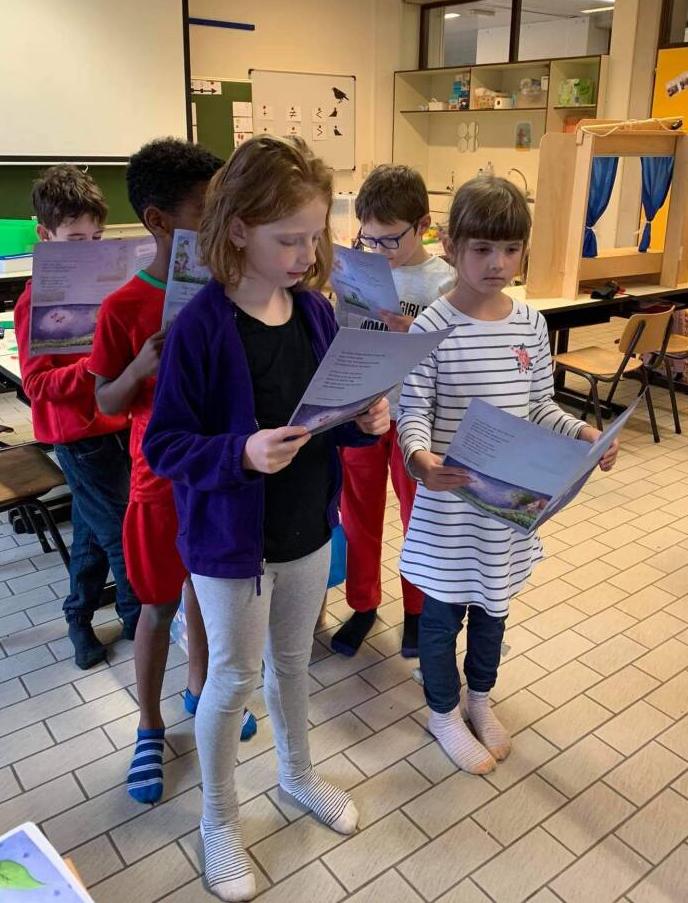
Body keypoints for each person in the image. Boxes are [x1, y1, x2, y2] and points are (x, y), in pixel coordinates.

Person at [143, 135, 390, 902]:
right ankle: (218, 818)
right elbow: (164, 445)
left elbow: (327, 421)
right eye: (289, 239)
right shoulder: (201, 326)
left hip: (306, 531)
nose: (305, 254)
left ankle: (297, 775)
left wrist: (366, 422)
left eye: (314, 237)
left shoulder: (313, 312)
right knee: (232, 680)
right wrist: (241, 453)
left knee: (291, 666)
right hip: (230, 548)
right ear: (238, 229)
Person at [397, 176, 620, 775]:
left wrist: (583, 432)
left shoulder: (529, 325)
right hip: (449, 508)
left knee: (493, 612)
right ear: (451, 247)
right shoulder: (431, 327)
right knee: (441, 618)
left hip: (505, 510)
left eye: (511, 249)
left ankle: (479, 699)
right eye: (482, 249)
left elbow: (540, 404)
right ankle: (442, 712)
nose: (497, 263)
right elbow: (412, 411)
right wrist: (420, 459)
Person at [89, 138, 255, 807]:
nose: (221, 221)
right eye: (206, 210)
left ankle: (200, 687)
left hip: (214, 474)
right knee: (157, 604)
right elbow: (105, 402)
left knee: (205, 593)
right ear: (159, 222)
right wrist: (140, 367)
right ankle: (149, 726)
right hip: (158, 483)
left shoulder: (227, 292)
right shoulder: (123, 307)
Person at [14, 165, 140, 669]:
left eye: (96, 239)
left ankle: (78, 617)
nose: (88, 250)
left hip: (119, 426)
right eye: (75, 240)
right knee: (123, 538)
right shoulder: (35, 301)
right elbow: (37, 386)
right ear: (44, 236)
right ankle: (140, 624)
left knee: (91, 531)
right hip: (79, 438)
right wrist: (96, 367)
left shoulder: (107, 289)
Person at [333, 165, 455, 659]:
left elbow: (458, 357)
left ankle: (417, 611)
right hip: (362, 410)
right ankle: (362, 604)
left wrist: (416, 334)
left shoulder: (444, 281)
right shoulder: (357, 270)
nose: (379, 250)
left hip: (416, 419)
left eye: (390, 240)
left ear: (423, 225)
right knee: (357, 514)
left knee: (416, 518)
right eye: (370, 239)